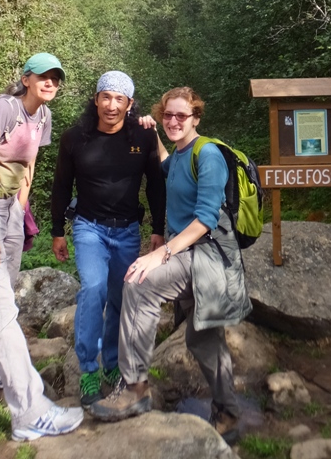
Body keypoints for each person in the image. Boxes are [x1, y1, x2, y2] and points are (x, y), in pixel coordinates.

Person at [89, 86, 252, 445]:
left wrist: (159, 254)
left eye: (182, 116)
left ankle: (135, 389)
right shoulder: (180, 154)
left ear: (196, 118)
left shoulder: (207, 154)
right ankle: (228, 412)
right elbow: (167, 166)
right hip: (192, 255)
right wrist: (152, 132)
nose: (174, 121)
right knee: (202, 339)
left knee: (138, 284)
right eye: (168, 115)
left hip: (210, 257)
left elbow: (205, 220)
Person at [0, 53, 84, 442]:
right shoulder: (3, 110)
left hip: (8, 210)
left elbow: (28, 166)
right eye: (43, 76)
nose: (50, 83)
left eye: (56, 78)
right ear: (26, 78)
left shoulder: (42, 117)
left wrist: (19, 210)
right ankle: (28, 411)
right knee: (1, 306)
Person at [51, 71, 166, 408]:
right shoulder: (75, 138)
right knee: (93, 288)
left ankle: (112, 365)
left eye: (120, 99)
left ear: (129, 104)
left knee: (120, 297)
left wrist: (157, 229)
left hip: (128, 230)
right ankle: (88, 370)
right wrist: (58, 230)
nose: (111, 105)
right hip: (89, 227)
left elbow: (156, 186)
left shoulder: (142, 137)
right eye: (106, 97)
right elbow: (61, 186)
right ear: (96, 99)